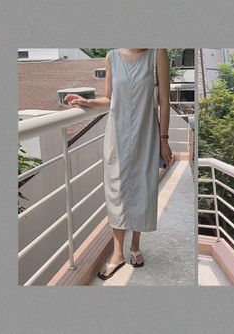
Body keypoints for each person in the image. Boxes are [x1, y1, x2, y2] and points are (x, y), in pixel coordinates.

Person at [64, 48, 173, 280]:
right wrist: (87, 101)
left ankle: (135, 246)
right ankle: (117, 254)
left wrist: (164, 140)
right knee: (116, 190)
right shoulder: (112, 56)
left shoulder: (157, 54)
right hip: (117, 135)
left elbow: (164, 99)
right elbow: (109, 98)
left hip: (146, 133)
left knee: (143, 187)